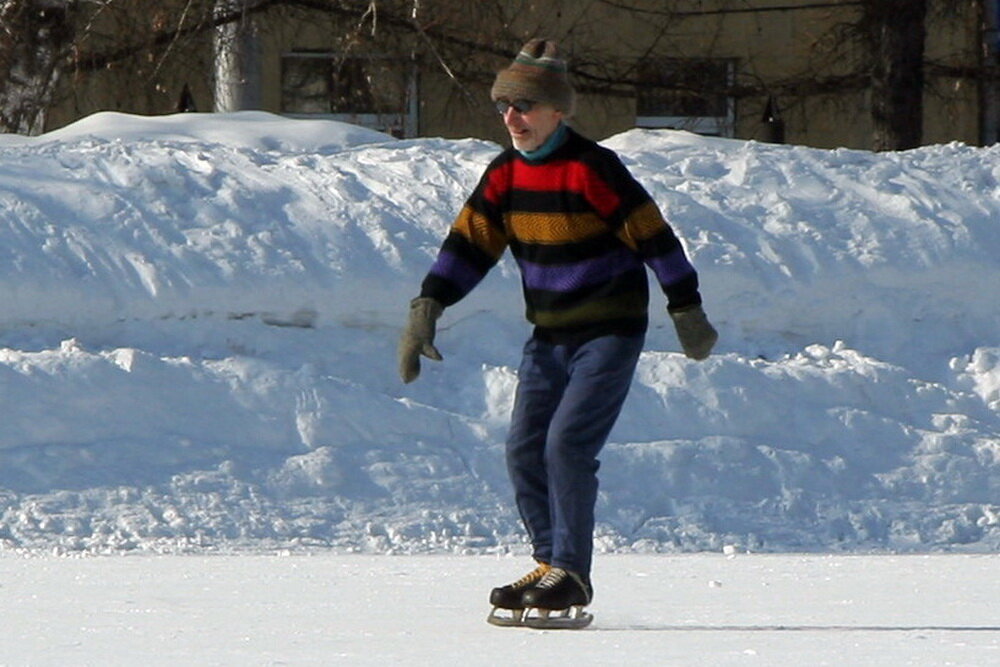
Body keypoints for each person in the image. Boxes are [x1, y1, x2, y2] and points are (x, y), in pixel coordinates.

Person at [398, 39, 718, 628]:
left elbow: (655, 237)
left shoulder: (593, 169)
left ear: (558, 111)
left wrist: (686, 307)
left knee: (566, 446)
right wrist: (428, 306)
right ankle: (550, 564)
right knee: (523, 449)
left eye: (524, 106)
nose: (512, 119)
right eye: (504, 108)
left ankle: (571, 571)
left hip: (609, 332)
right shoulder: (505, 175)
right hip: (547, 337)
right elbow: (470, 245)